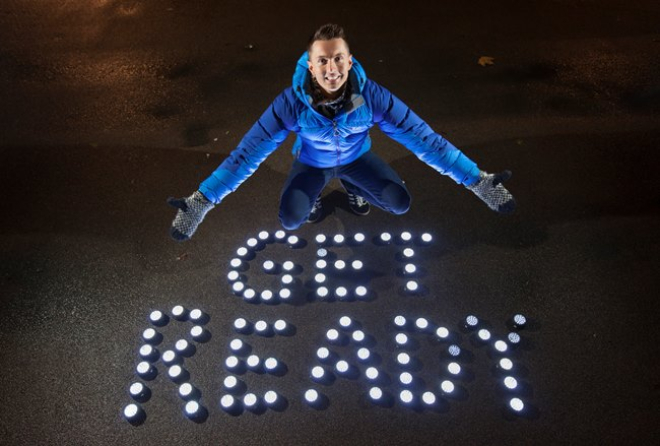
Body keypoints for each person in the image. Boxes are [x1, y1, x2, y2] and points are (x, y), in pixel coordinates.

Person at [168, 23, 515, 241]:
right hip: (311, 164)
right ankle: (317, 192)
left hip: (356, 160)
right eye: (322, 60)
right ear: (310, 63)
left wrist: (476, 179)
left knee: (399, 203)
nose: (331, 68)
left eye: (338, 59)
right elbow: (247, 154)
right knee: (291, 219)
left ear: (349, 61)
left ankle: (352, 184)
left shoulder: (373, 97)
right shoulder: (290, 103)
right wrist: (203, 200)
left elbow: (423, 138)